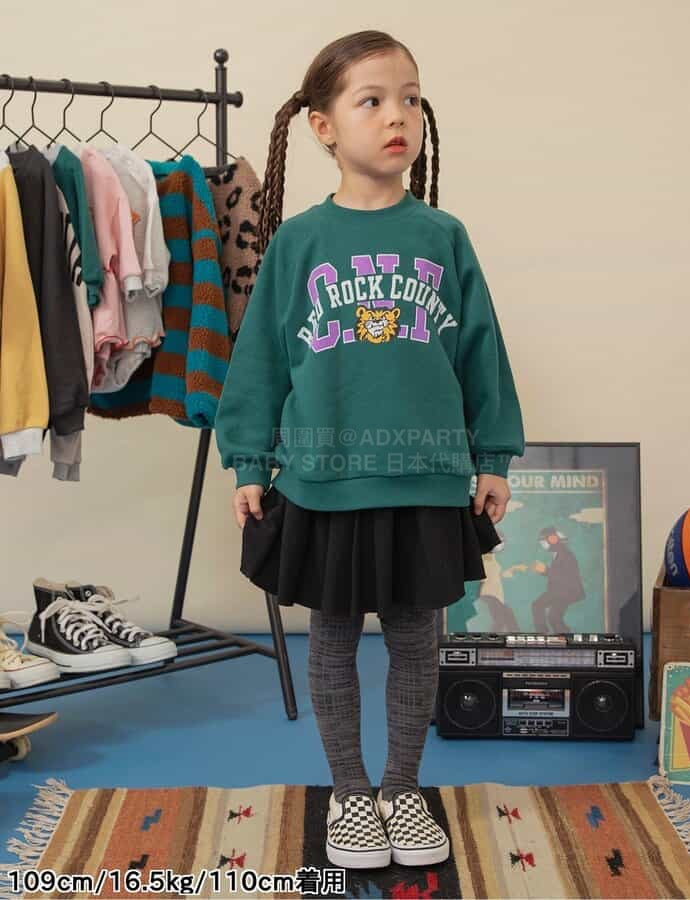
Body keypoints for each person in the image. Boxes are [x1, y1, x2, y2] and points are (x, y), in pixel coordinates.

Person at [215, 29, 525, 871]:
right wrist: (249, 462)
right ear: (322, 126)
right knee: (334, 641)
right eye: (374, 101)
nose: (398, 116)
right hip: (325, 478)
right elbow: (261, 361)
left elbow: (481, 352)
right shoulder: (297, 243)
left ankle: (401, 790)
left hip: (427, 477)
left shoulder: (443, 235)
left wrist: (493, 455)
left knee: (419, 640)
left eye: (411, 99)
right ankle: (351, 794)